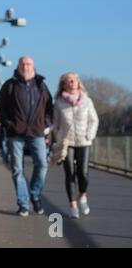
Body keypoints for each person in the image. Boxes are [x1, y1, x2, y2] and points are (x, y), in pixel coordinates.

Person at [0, 56, 54, 217]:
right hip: (16, 133)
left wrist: (46, 123)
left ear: (34, 66)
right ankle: (23, 203)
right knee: (17, 169)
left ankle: (35, 195)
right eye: (22, 64)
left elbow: (50, 105)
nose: (25, 66)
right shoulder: (10, 85)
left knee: (42, 164)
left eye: (28, 64)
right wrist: (8, 124)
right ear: (18, 66)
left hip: (37, 132)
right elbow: (0, 106)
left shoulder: (41, 85)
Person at [53, 73, 99, 219]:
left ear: (78, 83)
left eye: (74, 80)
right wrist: (59, 138)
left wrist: (89, 135)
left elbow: (94, 120)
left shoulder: (87, 101)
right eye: (68, 81)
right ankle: (73, 205)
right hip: (67, 142)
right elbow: (56, 124)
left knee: (83, 173)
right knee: (69, 173)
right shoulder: (59, 102)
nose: (72, 83)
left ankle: (83, 195)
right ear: (64, 85)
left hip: (83, 141)